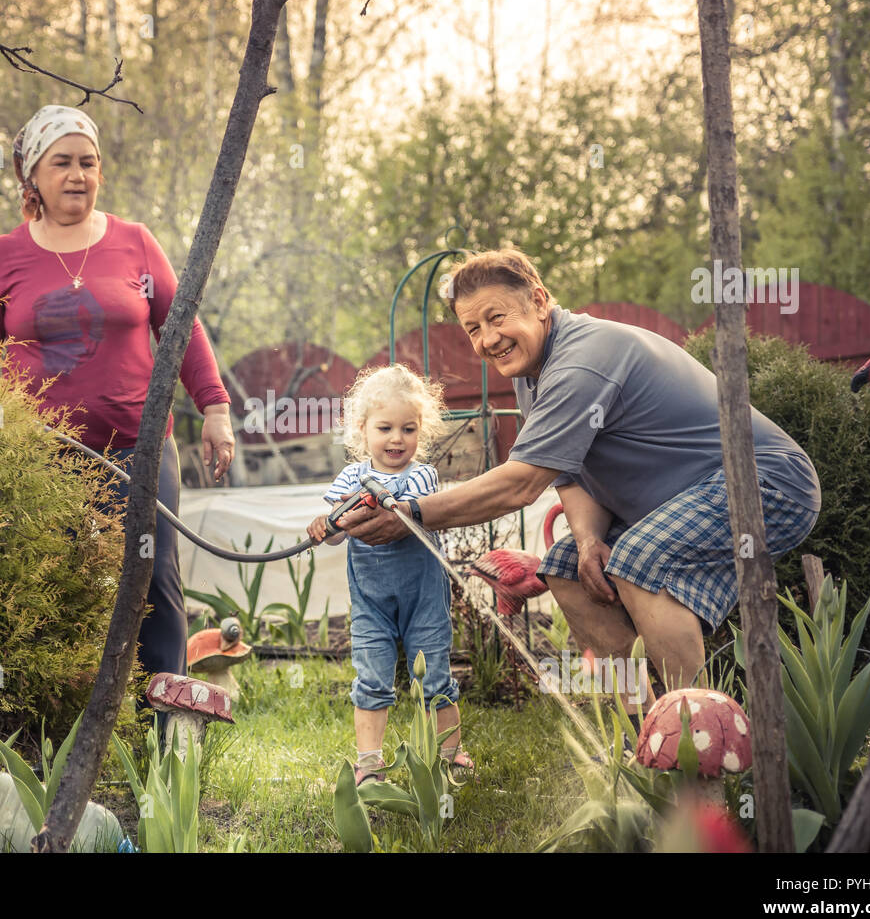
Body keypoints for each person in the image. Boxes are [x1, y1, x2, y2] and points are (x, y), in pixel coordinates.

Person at [339, 247, 821, 709]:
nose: (487, 339)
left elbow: (522, 483)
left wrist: (414, 514)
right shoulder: (535, 373)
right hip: (690, 496)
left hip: (768, 482)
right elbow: (567, 473)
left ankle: (701, 743)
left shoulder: (581, 359)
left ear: (539, 300)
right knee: (566, 567)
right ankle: (645, 740)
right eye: (472, 328)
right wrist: (589, 540)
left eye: (497, 317)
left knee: (639, 557)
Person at [0, 104, 236, 706]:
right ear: (33, 177)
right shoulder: (6, 255)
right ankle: (56, 726)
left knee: (154, 583)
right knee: (47, 585)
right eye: (63, 163)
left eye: (88, 163)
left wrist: (215, 406)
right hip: (40, 459)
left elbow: (181, 328)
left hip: (138, 451)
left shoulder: (133, 242)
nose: (78, 175)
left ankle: (167, 739)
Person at [306, 364, 470, 785]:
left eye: (408, 429)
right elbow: (336, 537)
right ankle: (370, 763)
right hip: (371, 603)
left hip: (424, 599)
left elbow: (411, 514)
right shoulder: (349, 478)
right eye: (385, 428)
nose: (397, 439)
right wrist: (325, 526)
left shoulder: (422, 475)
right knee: (372, 677)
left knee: (435, 676)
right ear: (363, 430)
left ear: (422, 431)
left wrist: (376, 502)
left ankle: (450, 752)